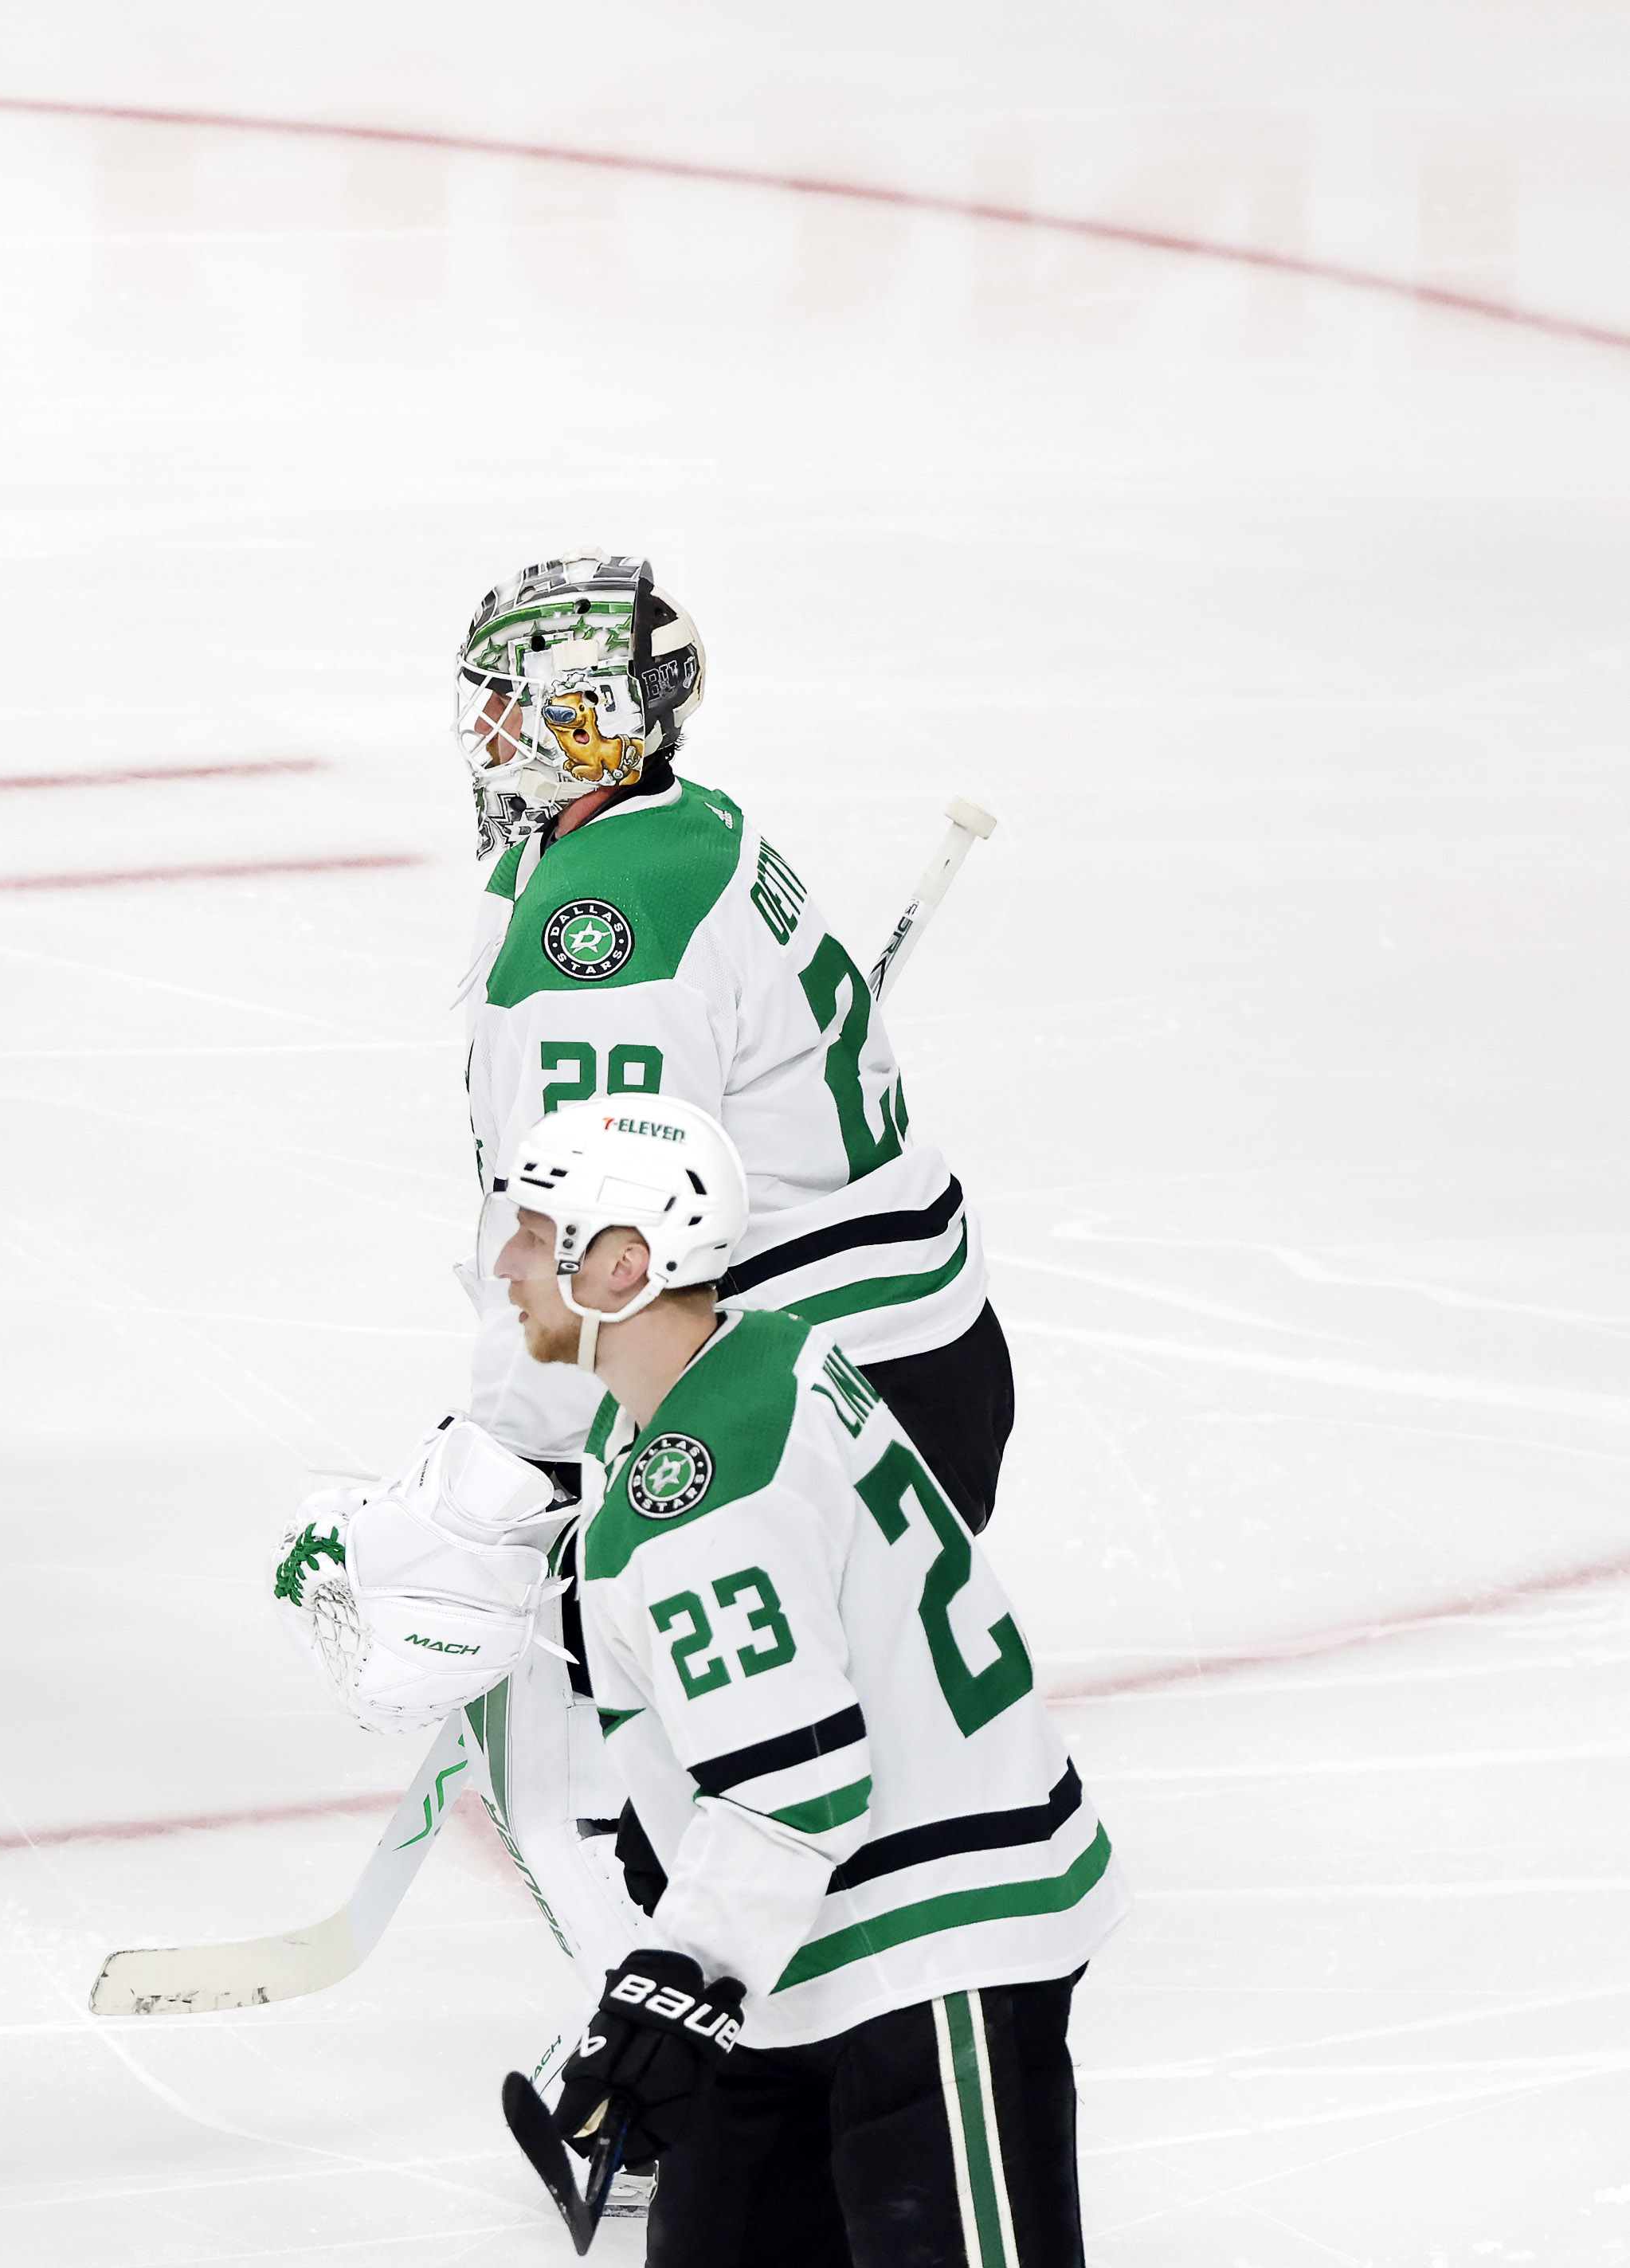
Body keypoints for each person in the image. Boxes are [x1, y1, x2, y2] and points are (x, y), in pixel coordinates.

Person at [281, 1100, 1122, 2263]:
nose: (504, 1260)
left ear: (619, 1265)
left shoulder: (698, 1497)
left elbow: (799, 1789)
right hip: (806, 1935)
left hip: (934, 1941)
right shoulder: (759, 1352)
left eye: (533, 1232)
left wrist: (673, 1985)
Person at [452, 555, 1014, 1533]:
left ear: (589, 720)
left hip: (821, 1394)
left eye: (509, 703)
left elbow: (596, 1233)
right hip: (872, 1356)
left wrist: (507, 1466)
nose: (482, 731)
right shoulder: (680, 825)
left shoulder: (606, 929)